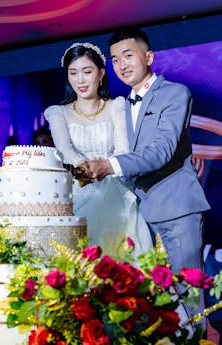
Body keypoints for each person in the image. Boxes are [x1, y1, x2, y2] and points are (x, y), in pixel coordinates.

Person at [87, 27, 211, 274]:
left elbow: (161, 151)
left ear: (149, 57)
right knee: (152, 298)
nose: (122, 65)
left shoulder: (174, 93)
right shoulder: (120, 105)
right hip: (138, 214)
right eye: (115, 60)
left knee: (187, 294)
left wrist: (109, 165)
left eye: (128, 55)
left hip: (176, 208)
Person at [44, 42, 152, 257]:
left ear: (101, 73)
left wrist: (103, 169)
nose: (80, 80)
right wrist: (84, 168)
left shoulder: (117, 106)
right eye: (73, 73)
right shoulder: (58, 113)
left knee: (118, 254)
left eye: (87, 71)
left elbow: (123, 149)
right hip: (78, 188)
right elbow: (64, 150)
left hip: (114, 187)